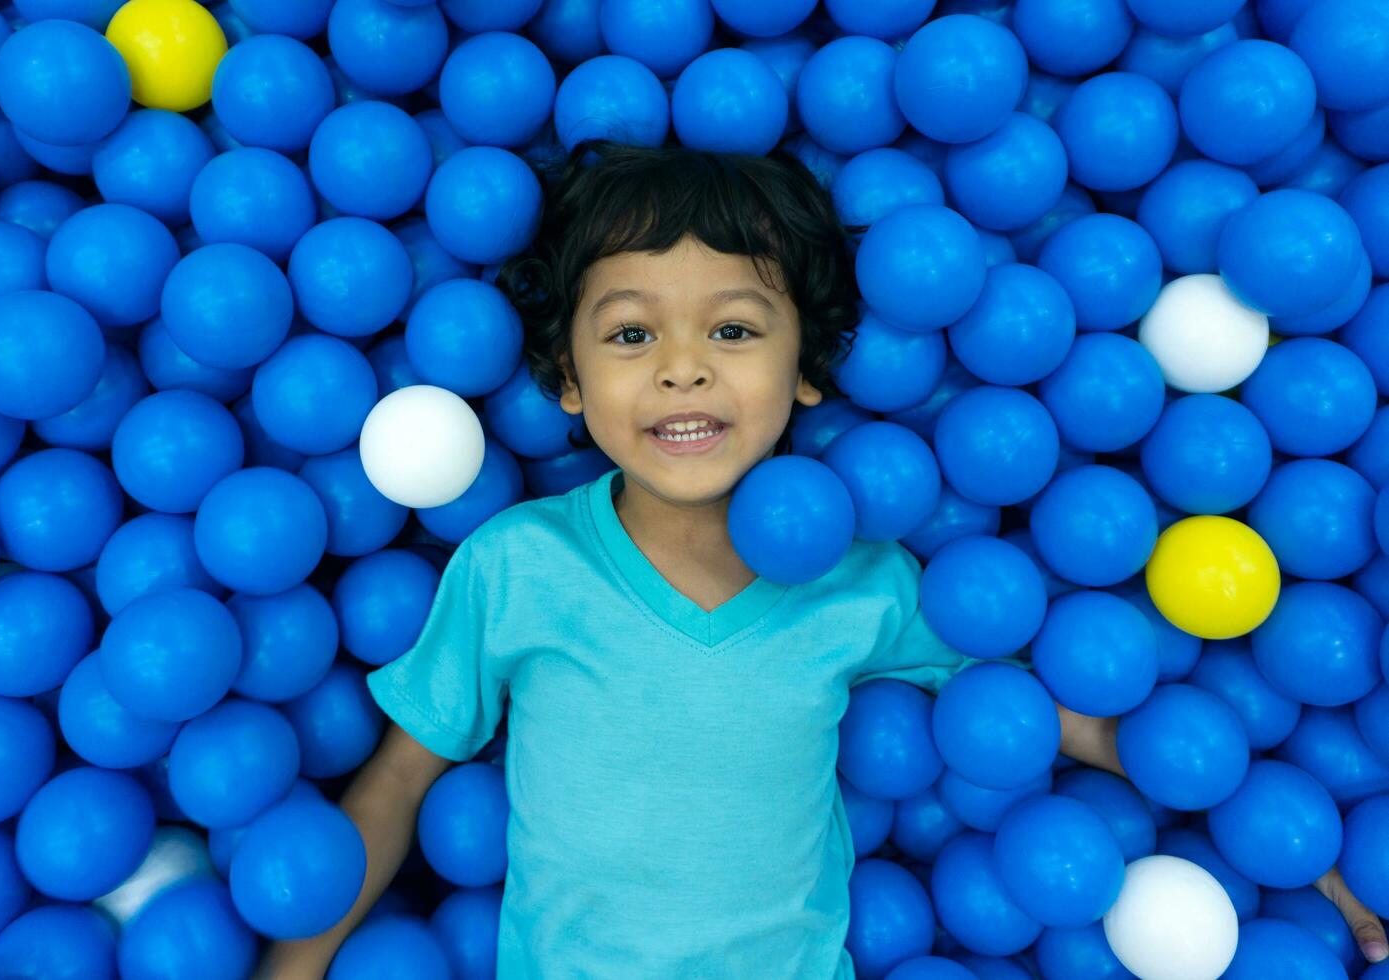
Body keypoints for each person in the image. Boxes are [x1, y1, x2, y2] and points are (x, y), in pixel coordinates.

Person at [257, 140, 1384, 977]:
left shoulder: (864, 578)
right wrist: (298, 962)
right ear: (565, 379)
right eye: (631, 333)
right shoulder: (518, 565)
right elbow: (398, 779)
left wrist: (1275, 840)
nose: (684, 370)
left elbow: (1045, 718)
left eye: (734, 330)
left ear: (807, 371)